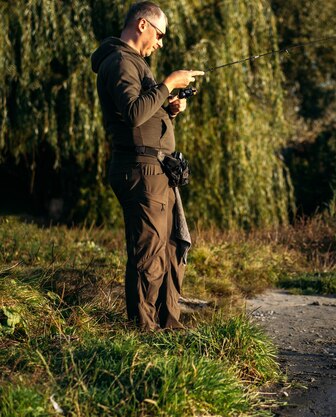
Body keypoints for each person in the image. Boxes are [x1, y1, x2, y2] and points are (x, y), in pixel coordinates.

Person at [91, 1, 203, 330]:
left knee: (169, 250)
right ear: (143, 26)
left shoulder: (135, 64)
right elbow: (133, 113)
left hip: (157, 171)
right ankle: (144, 331)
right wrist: (168, 83)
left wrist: (167, 110)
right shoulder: (121, 62)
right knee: (148, 255)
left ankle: (168, 324)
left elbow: (144, 114)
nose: (161, 42)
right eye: (160, 34)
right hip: (142, 173)